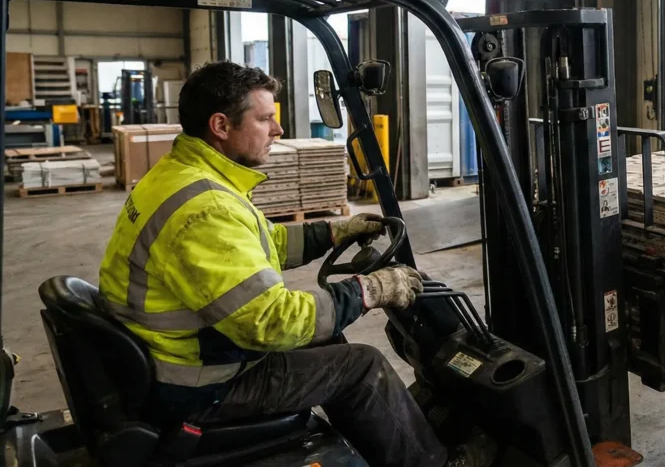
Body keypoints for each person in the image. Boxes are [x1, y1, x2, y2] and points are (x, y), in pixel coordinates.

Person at [98, 61, 490, 467]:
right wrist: (369, 290)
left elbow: (259, 244)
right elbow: (271, 323)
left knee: (327, 340)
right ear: (220, 125)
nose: (278, 130)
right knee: (362, 365)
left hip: (183, 354)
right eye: (265, 119)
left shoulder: (182, 175)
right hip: (202, 382)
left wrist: (335, 232)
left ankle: (380, 439)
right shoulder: (206, 209)